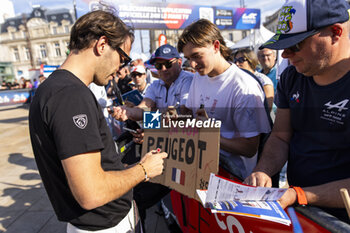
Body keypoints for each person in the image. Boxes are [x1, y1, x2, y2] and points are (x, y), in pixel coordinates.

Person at [28, 10, 167, 232]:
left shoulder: (54, 89)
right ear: (102, 44)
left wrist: (123, 170)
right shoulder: (71, 95)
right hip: (106, 224)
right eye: (123, 58)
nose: (122, 68)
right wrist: (144, 169)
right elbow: (91, 193)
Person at [245, 0, 350, 223]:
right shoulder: (292, 77)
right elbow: (282, 136)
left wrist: (301, 194)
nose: (285, 55)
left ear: (335, 32)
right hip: (300, 211)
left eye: (295, 45)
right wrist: (264, 170)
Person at [178, 19, 271, 180]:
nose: (192, 64)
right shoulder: (199, 78)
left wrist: (209, 134)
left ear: (215, 46)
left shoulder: (243, 86)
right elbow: (189, 113)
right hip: (203, 170)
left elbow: (250, 147)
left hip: (235, 178)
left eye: (196, 56)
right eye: (188, 58)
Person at [111, 44, 193, 121]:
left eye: (168, 64)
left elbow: (185, 112)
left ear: (179, 63)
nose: (163, 69)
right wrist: (128, 112)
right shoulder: (155, 85)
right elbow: (144, 107)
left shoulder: (188, 80)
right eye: (158, 66)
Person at [233, 48, 274, 112]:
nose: (237, 63)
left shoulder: (264, 80)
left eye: (241, 60)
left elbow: (267, 108)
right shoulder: (236, 80)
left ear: (251, 60)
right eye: (235, 60)